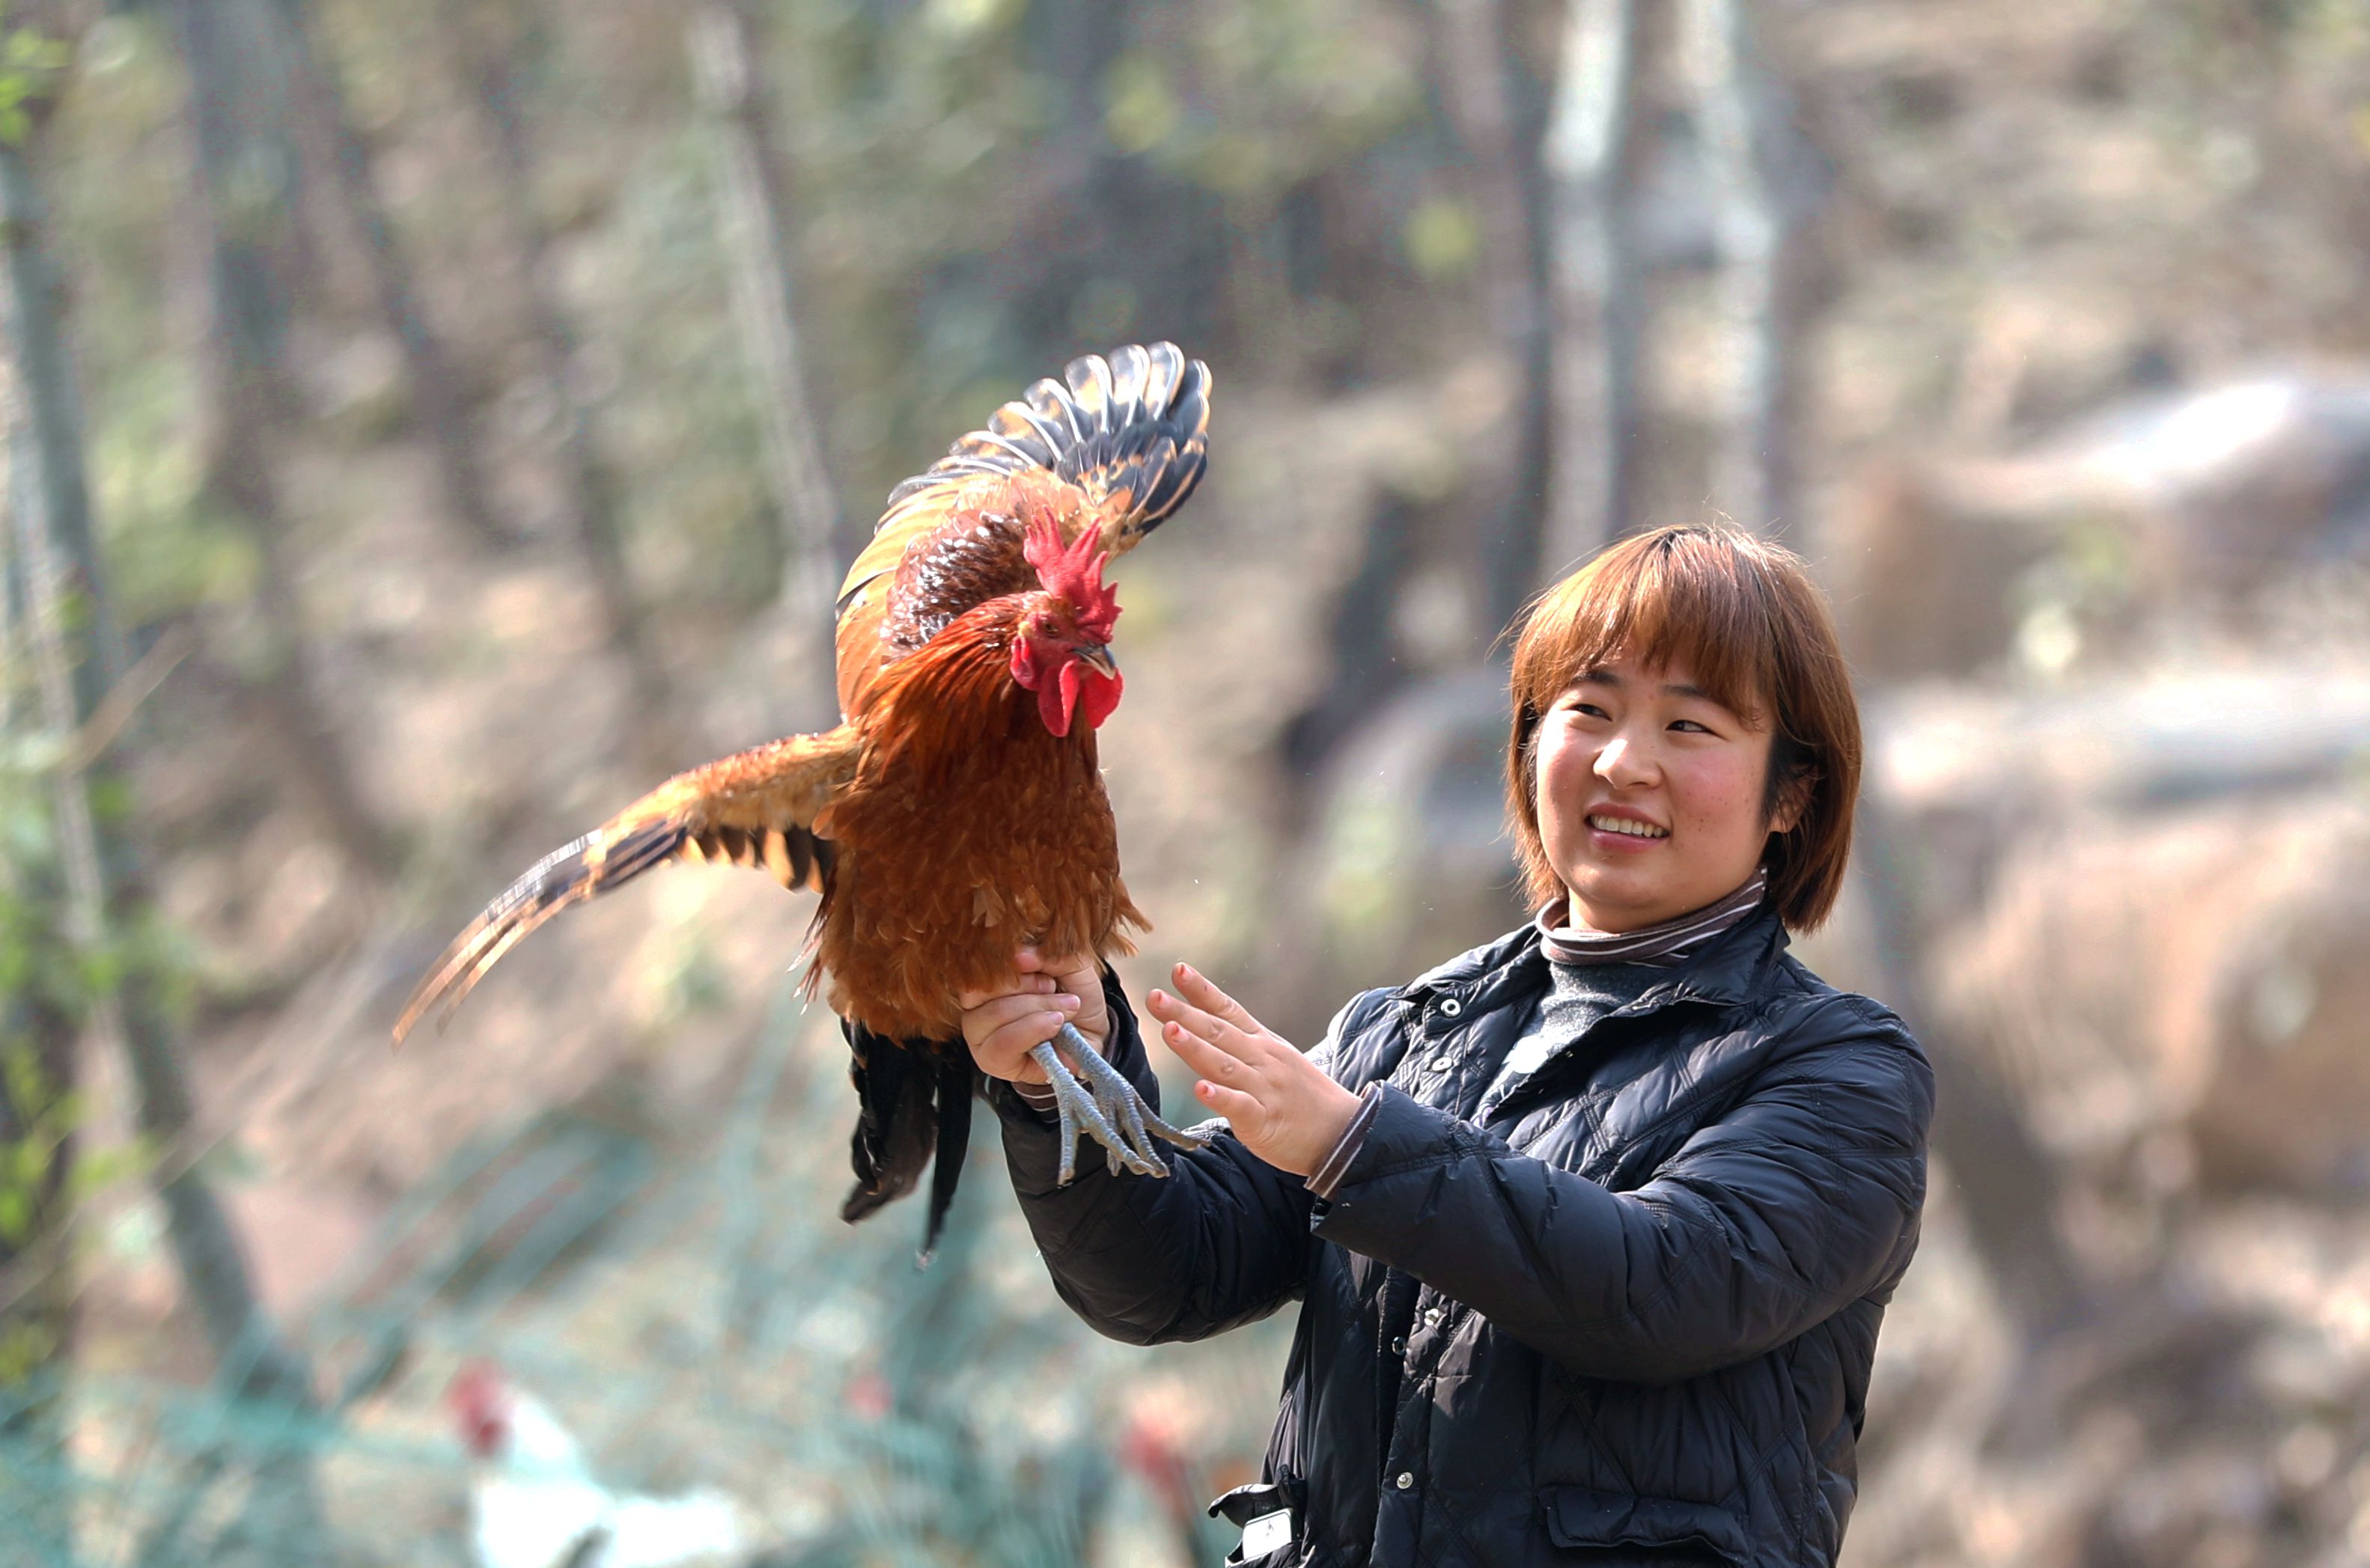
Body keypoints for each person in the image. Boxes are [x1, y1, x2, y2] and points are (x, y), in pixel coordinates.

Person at [958, 523, 1933, 1568]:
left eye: (1689, 727)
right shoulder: (1410, 1028)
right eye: (1588, 711)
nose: (1621, 762)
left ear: (1791, 794)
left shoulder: (1837, 1070)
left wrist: (1353, 1147)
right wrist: (1071, 1073)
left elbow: (1666, 1285)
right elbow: (1166, 1276)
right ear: (1526, 744)